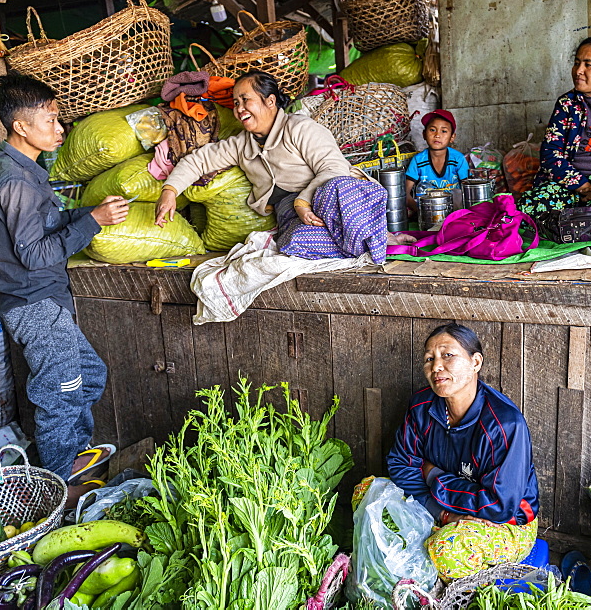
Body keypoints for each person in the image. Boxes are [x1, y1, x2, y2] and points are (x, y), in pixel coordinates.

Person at [0, 73, 125, 503]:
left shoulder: (8, 165)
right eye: (51, 120)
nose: (60, 129)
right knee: (61, 393)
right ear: (21, 126)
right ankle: (58, 490)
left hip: (39, 299)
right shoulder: (16, 181)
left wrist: (85, 213)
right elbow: (36, 255)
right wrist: (94, 223)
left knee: (89, 375)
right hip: (34, 302)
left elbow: (37, 227)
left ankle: (72, 456)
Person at [155, 70, 413, 262]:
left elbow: (334, 168)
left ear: (269, 101)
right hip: (294, 211)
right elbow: (198, 160)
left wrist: (304, 202)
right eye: (235, 103)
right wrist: (170, 191)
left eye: (246, 100)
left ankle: (377, 239)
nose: (239, 109)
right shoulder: (241, 144)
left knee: (337, 187)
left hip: (335, 198)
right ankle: (375, 242)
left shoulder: (300, 127)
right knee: (293, 242)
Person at [380, 323, 540, 580]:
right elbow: (400, 463)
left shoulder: (504, 424)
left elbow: (498, 506)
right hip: (435, 507)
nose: (436, 367)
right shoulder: (421, 406)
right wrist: (441, 511)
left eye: (448, 355)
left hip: (504, 524)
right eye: (429, 359)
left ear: (475, 362)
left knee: (446, 549)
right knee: (368, 493)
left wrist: (433, 475)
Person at [519, 35, 591, 221]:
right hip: (570, 185)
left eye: (587, 64)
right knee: (528, 207)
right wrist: (582, 186)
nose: (578, 71)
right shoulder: (566, 104)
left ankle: (577, 222)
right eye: (577, 63)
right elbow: (550, 152)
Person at [404, 110, 471, 214]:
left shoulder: (458, 159)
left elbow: (468, 191)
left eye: (443, 131)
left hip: (455, 212)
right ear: (424, 134)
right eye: (432, 130)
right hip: (428, 212)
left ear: (452, 137)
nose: (437, 135)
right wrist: (420, 213)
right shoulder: (418, 160)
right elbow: (405, 193)